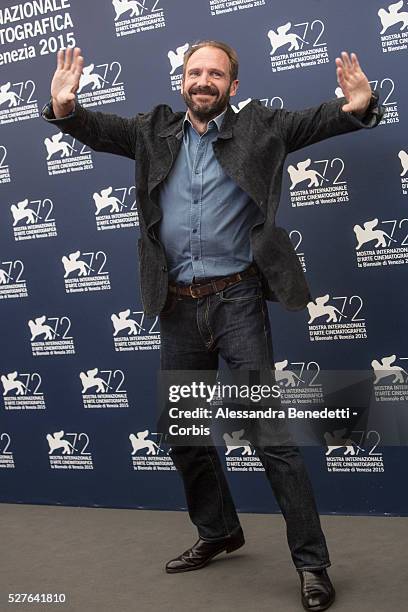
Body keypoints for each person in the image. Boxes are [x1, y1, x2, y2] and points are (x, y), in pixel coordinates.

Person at [42, 41, 384, 611]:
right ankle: (220, 529)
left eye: (215, 74)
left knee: (269, 440)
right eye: (194, 72)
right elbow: (94, 129)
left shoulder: (261, 127)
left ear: (233, 85)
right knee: (185, 434)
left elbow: (322, 118)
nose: (203, 81)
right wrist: (65, 109)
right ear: (182, 81)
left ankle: (312, 564)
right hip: (176, 305)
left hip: (237, 301)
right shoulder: (153, 131)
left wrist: (357, 105)